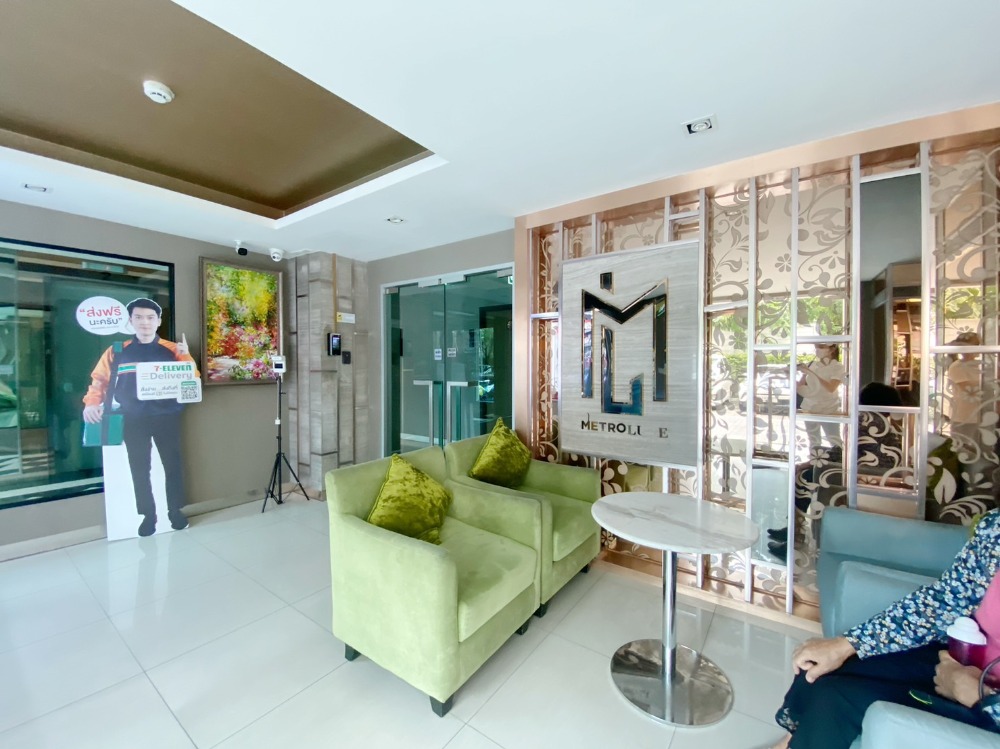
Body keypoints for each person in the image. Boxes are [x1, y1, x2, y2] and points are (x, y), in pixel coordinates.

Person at [770, 509, 1000, 748]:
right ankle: (790, 742)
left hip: (985, 703)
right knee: (818, 668)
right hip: (959, 656)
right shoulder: (996, 528)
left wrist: (979, 695)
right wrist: (848, 644)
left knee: (838, 698)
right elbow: (944, 600)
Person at [82, 298, 196, 536]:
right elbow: (99, 381)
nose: (145, 322)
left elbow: (193, 380)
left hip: (167, 417)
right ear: (130, 321)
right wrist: (91, 403)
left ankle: (175, 511)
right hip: (133, 419)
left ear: (159, 321)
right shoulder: (116, 351)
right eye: (139, 317)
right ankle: (148, 516)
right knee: (139, 468)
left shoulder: (174, 349)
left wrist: (185, 356)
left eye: (150, 317)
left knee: (173, 466)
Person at [796, 343, 846, 451]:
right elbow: (800, 386)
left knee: (834, 440)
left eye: (821, 347)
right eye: (816, 347)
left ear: (832, 349)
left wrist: (811, 373)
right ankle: (814, 460)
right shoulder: (812, 364)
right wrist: (792, 374)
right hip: (810, 408)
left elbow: (831, 388)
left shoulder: (838, 367)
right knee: (814, 441)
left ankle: (838, 460)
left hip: (828, 409)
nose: (818, 350)